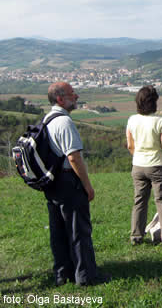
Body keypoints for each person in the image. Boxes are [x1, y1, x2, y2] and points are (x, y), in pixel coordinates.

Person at [44, 82, 110, 286]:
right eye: (73, 94)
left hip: (53, 182)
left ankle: (63, 273)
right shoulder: (64, 122)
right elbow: (74, 158)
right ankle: (86, 276)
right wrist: (87, 185)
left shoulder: (47, 119)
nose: (77, 96)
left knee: (59, 232)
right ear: (60, 99)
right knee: (78, 230)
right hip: (67, 180)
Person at [126, 85, 162, 249]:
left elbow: (129, 145)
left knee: (139, 201)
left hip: (138, 165)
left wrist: (138, 157)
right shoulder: (160, 121)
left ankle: (136, 236)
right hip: (158, 166)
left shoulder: (132, 120)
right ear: (154, 103)